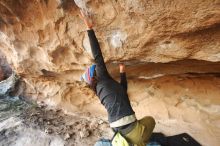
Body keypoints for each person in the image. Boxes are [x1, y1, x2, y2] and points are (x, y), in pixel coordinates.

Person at [80, 10, 156, 146]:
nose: (97, 68)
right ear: (96, 75)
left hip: (118, 126)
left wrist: (122, 72)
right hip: (127, 127)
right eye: (95, 69)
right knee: (150, 121)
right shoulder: (102, 78)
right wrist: (89, 28)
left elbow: (122, 91)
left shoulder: (100, 90)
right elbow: (98, 55)